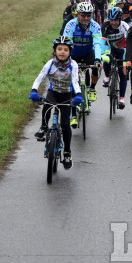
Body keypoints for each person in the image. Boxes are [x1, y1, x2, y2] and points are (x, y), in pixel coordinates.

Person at [29, 36, 84, 169]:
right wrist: (34, 90)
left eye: (65, 49)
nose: (62, 52)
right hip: (53, 92)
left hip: (66, 94)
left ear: (70, 51)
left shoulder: (73, 65)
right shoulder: (50, 64)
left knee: (65, 125)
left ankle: (67, 152)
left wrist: (78, 95)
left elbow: (75, 81)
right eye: (59, 49)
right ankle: (43, 127)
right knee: (47, 105)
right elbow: (40, 77)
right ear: (55, 50)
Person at [62, 2, 104, 127]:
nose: (86, 18)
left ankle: (92, 88)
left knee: (95, 68)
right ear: (77, 14)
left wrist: (98, 59)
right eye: (83, 15)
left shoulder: (95, 26)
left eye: (88, 15)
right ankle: (73, 115)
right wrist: (66, 60)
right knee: (74, 84)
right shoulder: (71, 25)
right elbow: (66, 44)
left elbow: (97, 44)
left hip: (88, 52)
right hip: (74, 54)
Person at [101, 6, 131, 109]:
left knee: (122, 72)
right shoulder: (105, 25)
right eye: (112, 20)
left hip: (122, 49)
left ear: (120, 19)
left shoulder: (125, 26)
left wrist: (126, 59)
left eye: (116, 20)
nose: (113, 23)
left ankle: (122, 98)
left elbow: (129, 44)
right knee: (107, 57)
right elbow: (102, 41)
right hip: (109, 47)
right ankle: (107, 76)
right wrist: (102, 54)